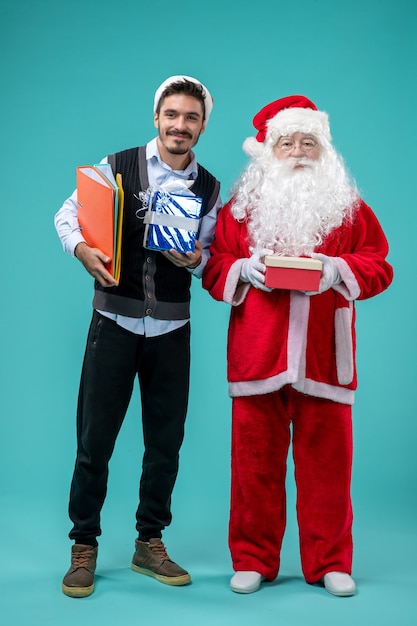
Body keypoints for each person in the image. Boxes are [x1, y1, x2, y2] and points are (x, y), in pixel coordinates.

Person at [202, 95, 393, 597]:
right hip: (258, 354)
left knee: (328, 467)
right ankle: (252, 558)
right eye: (287, 142)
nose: (299, 151)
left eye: (309, 142)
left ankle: (330, 561)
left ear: (325, 150)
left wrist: (337, 270)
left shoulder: (349, 209)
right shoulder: (240, 211)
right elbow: (216, 265)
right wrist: (243, 269)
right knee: (253, 468)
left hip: (326, 360)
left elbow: (380, 263)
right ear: (269, 151)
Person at [54, 75, 221, 598]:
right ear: (157, 117)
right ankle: (84, 545)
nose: (180, 125)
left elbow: (214, 255)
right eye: (172, 114)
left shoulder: (210, 188)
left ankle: (150, 541)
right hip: (115, 322)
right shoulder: (117, 165)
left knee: (165, 443)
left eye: (191, 118)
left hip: (173, 328)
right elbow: (67, 214)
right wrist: (82, 250)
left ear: (202, 126)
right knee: (94, 440)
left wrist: (196, 260)